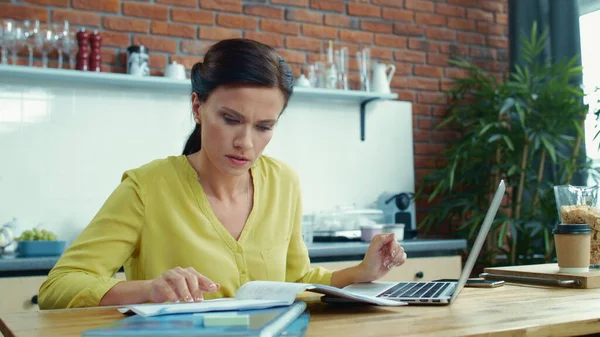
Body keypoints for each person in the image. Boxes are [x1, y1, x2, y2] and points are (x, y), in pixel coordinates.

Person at [38, 38, 407, 309]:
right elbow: (59, 288)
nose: (245, 142)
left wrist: (362, 272)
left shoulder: (283, 182)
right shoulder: (146, 187)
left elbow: (296, 281)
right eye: (231, 119)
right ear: (198, 106)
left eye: (264, 127)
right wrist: (150, 289)